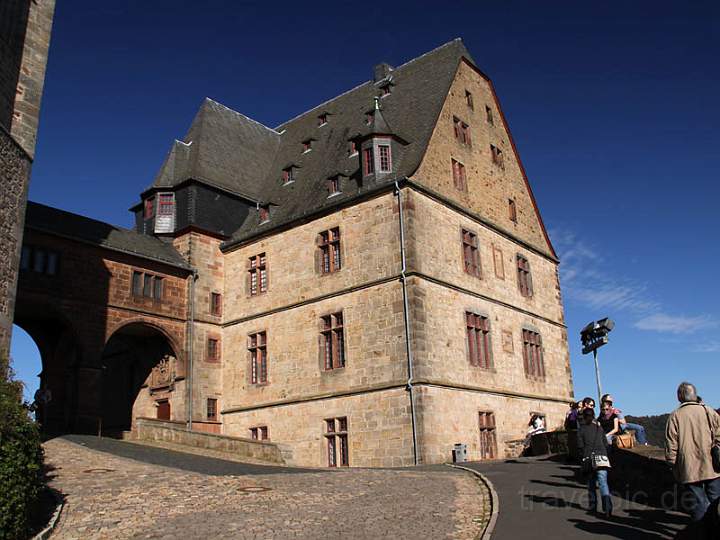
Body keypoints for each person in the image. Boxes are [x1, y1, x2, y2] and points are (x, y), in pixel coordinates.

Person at [665, 382, 720, 526]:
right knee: (716, 500)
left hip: (688, 468)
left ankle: (702, 532)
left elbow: (671, 444)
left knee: (698, 504)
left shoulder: (675, 416)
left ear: (679, 397)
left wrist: (671, 463)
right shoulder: (709, 411)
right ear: (695, 395)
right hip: (712, 465)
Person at [578, 407, 613, 517]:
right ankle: (607, 508)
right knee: (603, 483)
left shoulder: (581, 430)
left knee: (591, 484)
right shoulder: (599, 428)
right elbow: (606, 444)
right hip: (602, 458)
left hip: (589, 459)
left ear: (583, 416)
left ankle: (593, 507)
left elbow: (580, 446)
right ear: (593, 416)